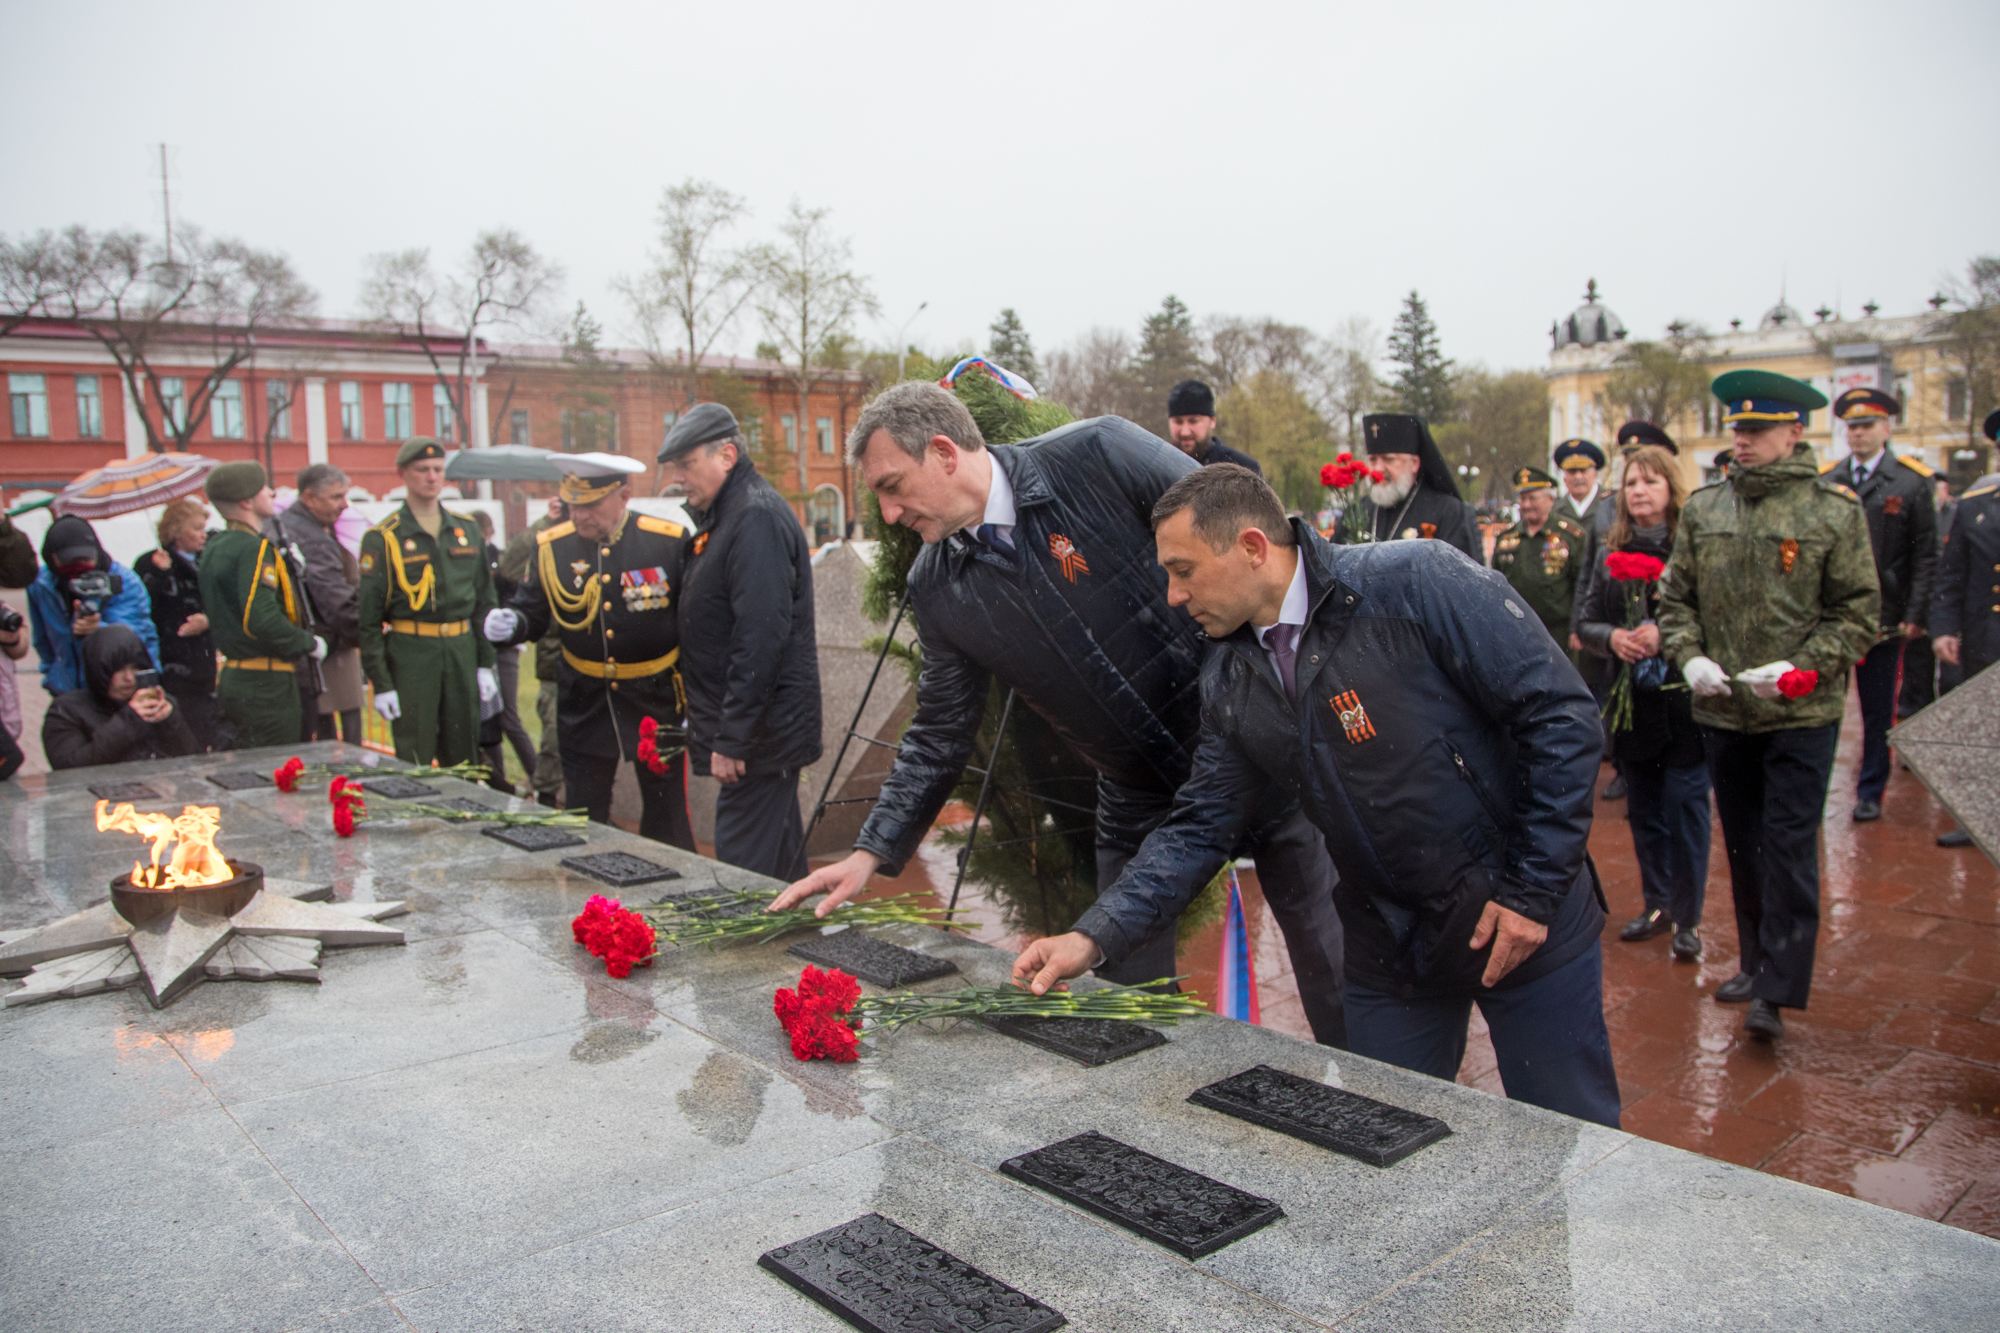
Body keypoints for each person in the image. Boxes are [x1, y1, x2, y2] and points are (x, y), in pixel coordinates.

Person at [1011, 465, 1617, 1124]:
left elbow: (1562, 715)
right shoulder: (1229, 674)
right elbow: (1198, 826)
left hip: (1519, 925)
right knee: (1386, 1144)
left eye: (1184, 569)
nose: (1174, 595)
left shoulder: (1417, 581)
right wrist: (1092, 937)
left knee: (1567, 1139)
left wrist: (1530, 892)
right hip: (1393, 945)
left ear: (1250, 546)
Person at [770, 384, 1349, 1047]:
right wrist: (870, 852)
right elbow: (940, 729)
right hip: (1135, 793)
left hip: (1262, 760)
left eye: (893, 485)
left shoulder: (1100, 454)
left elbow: (1252, 553)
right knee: (1130, 1007)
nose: (888, 511)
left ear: (943, 451)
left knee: (1336, 976)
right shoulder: (936, 586)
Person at [1658, 370, 1879, 1043]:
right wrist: (1689, 655)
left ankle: (1778, 989)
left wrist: (1800, 668)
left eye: (1757, 430)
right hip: (1726, 709)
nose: (1743, 440)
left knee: (1787, 845)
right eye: (1738, 429)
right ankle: (1756, 963)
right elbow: (1675, 600)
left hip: (1799, 715)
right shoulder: (1704, 510)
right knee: (1746, 844)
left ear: (1795, 431)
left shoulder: (1831, 512)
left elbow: (1859, 612)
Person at [486, 455, 694, 847]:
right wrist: (513, 624)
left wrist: (694, 701)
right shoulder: (553, 546)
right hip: (585, 697)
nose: (579, 515)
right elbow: (534, 609)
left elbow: (692, 626)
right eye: (572, 504)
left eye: (590, 505)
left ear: (624, 497)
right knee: (584, 810)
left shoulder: (666, 541)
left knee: (666, 812)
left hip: (655, 695)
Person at [657, 404, 822, 879]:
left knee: (740, 874)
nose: (679, 479)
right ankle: (796, 950)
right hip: (758, 736)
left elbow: (760, 639)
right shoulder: (728, 514)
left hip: (759, 740)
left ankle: (752, 954)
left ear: (726, 455)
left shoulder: (755, 518)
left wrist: (733, 739)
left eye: (687, 466)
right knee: (778, 869)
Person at [1576, 444, 1709, 961]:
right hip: (1630, 699)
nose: (1639, 492)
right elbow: (1585, 617)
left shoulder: (1691, 546)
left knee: (1686, 807)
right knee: (1646, 807)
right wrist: (1612, 638)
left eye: (1650, 482)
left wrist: (1666, 634)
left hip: (1683, 700)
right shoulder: (1610, 544)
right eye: (1631, 483)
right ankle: (1658, 902)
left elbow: (1710, 616)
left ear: (1671, 488)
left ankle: (1689, 914)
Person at [1823, 387, 1937, 823]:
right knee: (1826, 707)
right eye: (1852, 426)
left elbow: (1926, 554)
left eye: (1867, 425)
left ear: (1887, 428)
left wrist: (1915, 614)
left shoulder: (1910, 481)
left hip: (1885, 618)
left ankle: (1870, 789)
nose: (1858, 433)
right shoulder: (1830, 480)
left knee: (1876, 711)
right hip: (1834, 618)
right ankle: (1819, 788)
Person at [357, 438, 498, 767]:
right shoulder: (383, 537)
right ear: (402, 474)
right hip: (412, 653)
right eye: (422, 470)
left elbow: (484, 603)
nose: (432, 477)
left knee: (464, 747)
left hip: (462, 649)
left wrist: (484, 663)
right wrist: (382, 683)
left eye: (437, 470)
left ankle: (464, 815)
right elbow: (368, 619)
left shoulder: (466, 529)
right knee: (414, 749)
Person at [198, 461, 328, 748]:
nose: (270, 492)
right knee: (276, 771)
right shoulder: (253, 547)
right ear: (246, 501)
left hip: (236, 676)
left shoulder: (217, 546)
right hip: (267, 684)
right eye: (262, 488)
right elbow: (261, 617)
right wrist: (307, 642)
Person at [1928, 414, 2000, 849]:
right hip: (1984, 634)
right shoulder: (1976, 504)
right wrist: (1943, 629)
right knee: (1983, 729)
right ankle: (1980, 817)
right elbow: (1952, 576)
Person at [278, 464, 366, 745]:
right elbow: (335, 601)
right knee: (339, 735)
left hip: (317, 644)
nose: (344, 504)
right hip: (326, 645)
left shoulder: (303, 527)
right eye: (336, 497)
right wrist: (370, 629)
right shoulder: (311, 536)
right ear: (309, 498)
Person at [28, 514, 159, 698]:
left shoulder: (123, 581)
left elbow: (135, 637)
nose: (78, 566)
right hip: (67, 691)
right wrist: (53, 676)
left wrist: (98, 630)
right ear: (52, 559)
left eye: (85, 559)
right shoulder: (41, 584)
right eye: (69, 561)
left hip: (119, 692)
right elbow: (42, 640)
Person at [42, 622, 199, 770]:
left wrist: (170, 721)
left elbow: (192, 759)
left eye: (135, 669)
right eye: (118, 669)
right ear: (99, 669)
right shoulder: (66, 711)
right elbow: (69, 767)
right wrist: (130, 720)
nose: (129, 678)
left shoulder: (157, 703)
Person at [134, 498, 225, 746]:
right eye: (196, 528)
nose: (202, 535)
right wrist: (160, 575)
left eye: (203, 528)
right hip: (173, 662)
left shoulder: (207, 561)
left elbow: (224, 603)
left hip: (205, 662)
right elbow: (143, 605)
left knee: (206, 729)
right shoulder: (152, 561)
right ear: (175, 530)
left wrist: (209, 620)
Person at [1335, 413, 1480, 562]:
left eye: (1389, 459)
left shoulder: (1449, 512)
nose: (1378, 468)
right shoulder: (1355, 512)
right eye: (1372, 460)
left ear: (1414, 463)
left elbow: (1464, 578)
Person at [499, 497, 568, 807]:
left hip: (598, 661)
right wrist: (544, 523)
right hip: (556, 659)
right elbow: (509, 568)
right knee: (553, 741)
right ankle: (547, 799)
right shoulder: (549, 543)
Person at [1490, 466, 1589, 656]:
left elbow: (1582, 586)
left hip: (1558, 632)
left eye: (1532, 498)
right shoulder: (1506, 538)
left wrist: (1577, 628)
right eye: (1522, 499)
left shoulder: (1571, 536)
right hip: (1516, 629)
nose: (1526, 505)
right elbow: (1496, 586)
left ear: (1550, 499)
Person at [475, 507, 537, 787]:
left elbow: (512, 590)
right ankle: (499, 782)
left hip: (503, 643)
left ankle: (539, 777)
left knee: (509, 716)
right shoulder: (470, 561)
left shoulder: (500, 560)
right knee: (488, 720)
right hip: (481, 646)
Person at [1901, 476, 1961, 720]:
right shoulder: (1925, 515)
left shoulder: (1957, 513)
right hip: (1928, 597)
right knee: (1918, 662)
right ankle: (1915, 705)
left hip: (1943, 596)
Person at [1164, 380, 1260, 472]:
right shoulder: (1159, 468)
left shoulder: (1242, 468)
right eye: (1178, 422)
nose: (1185, 432)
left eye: (1193, 421)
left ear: (1212, 421)